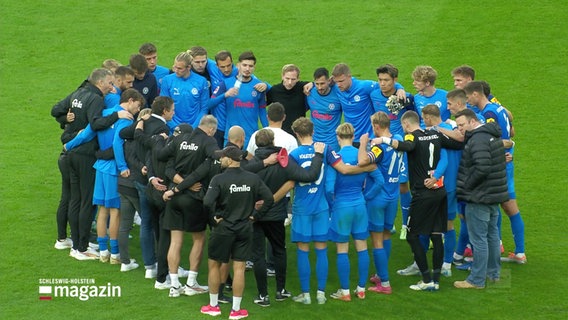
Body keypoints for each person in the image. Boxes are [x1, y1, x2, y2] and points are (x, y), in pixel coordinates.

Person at [287, 117, 375, 305]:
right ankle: (321, 294)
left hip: (302, 208)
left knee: (303, 251)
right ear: (313, 130)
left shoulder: (293, 154)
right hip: (321, 208)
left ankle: (306, 295)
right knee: (321, 250)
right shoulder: (327, 149)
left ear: (296, 134)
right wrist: (369, 166)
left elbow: (290, 182)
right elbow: (343, 169)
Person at [372, 111, 461, 291]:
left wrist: (383, 141)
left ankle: (426, 279)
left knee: (412, 235)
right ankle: (435, 280)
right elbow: (457, 143)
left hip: (422, 193)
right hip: (439, 191)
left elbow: (405, 146)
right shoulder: (435, 134)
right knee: (436, 235)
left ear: (405, 124)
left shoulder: (413, 137)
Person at [51, 68, 133, 261]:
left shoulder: (78, 92)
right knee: (86, 202)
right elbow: (95, 124)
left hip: (71, 152)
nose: (112, 88)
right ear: (100, 82)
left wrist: (65, 123)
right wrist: (116, 116)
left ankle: (74, 243)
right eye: (110, 83)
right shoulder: (96, 99)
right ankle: (81, 248)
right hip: (85, 155)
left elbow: (57, 111)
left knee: (74, 199)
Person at [249, 128, 324, 307]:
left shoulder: (250, 164)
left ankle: (263, 296)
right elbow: (310, 176)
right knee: (279, 251)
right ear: (273, 141)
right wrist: (318, 156)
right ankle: (280, 291)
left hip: (255, 217)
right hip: (276, 215)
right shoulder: (284, 161)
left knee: (258, 255)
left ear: (256, 144)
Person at [200, 146, 274, 320]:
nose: (220, 160)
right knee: (239, 267)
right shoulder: (253, 179)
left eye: (223, 157)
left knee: (214, 265)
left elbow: (206, 202)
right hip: (244, 228)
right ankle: (236, 310)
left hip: (223, 228)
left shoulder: (218, 179)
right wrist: (255, 216)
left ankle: (213, 306)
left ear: (230, 159)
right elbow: (269, 198)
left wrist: (213, 219)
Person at [463, 81, 526, 263]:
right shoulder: (498, 108)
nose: (467, 100)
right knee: (504, 206)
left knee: (498, 206)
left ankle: (491, 254)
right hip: (504, 162)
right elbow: (509, 131)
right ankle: (515, 252)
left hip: (499, 165)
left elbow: (493, 139)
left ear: (476, 94)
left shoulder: (489, 113)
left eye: (468, 97)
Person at [160, 115, 219, 298]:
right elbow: (215, 159)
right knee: (199, 239)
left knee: (175, 241)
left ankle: (174, 285)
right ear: (211, 129)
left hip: (174, 197)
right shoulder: (208, 141)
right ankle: (191, 283)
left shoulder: (180, 138)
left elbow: (167, 166)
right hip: (193, 197)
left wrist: (177, 186)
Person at [327, 123, 383, 302]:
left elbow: (329, 189)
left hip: (342, 207)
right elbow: (379, 181)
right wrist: (365, 197)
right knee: (362, 248)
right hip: (359, 205)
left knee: (342, 249)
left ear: (338, 137)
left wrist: (332, 205)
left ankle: (344, 293)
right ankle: (361, 289)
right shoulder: (364, 157)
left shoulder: (335, 159)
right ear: (353, 137)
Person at [453, 109, 508, 289]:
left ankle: (476, 280)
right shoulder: (493, 135)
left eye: (461, 125)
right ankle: (494, 274)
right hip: (494, 194)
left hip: (479, 196)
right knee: (492, 235)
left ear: (472, 121)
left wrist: (467, 185)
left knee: (479, 239)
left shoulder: (478, 139)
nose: (459, 129)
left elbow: (482, 168)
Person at [358, 111, 404, 295]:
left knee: (377, 240)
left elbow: (362, 161)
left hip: (378, 198)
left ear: (377, 126)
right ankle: (380, 273)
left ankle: (384, 284)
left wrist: (363, 144)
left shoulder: (378, 148)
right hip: (393, 196)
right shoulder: (398, 140)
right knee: (386, 235)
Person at [370, 64, 415, 240]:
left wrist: (401, 90)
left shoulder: (405, 98)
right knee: (381, 181)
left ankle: (406, 224)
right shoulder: (373, 93)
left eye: (386, 80)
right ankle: (388, 223)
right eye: (380, 80)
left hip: (399, 146)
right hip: (381, 145)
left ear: (395, 80)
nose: (382, 84)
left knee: (402, 185)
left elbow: (414, 119)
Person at [422, 104, 462, 277]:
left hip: (440, 184)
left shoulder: (436, 133)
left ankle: (420, 263)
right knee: (449, 224)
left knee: (427, 223)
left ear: (429, 118)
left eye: (424, 118)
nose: (423, 121)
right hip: (455, 183)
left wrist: (435, 177)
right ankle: (446, 263)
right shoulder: (452, 128)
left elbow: (443, 159)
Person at [330, 63, 406, 146]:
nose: (338, 84)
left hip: (368, 139)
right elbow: (320, 84)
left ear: (349, 76)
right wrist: (312, 84)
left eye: (341, 81)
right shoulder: (336, 88)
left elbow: (385, 84)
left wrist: (400, 88)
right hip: (350, 138)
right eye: (336, 81)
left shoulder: (364, 86)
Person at [160, 50, 210, 132]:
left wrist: (193, 128)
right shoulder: (167, 80)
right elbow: (163, 107)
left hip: (193, 128)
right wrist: (175, 127)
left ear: (189, 67)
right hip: (172, 129)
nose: (176, 70)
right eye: (175, 67)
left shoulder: (201, 81)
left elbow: (204, 108)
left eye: (179, 68)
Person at [306, 67, 342, 152]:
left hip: (333, 142)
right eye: (317, 83)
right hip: (314, 140)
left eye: (322, 83)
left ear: (329, 81)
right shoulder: (309, 92)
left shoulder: (338, 94)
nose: (319, 87)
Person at [266, 64, 310, 135]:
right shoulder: (275, 90)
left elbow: (318, 84)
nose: (290, 82)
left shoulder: (302, 87)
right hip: (281, 134)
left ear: (298, 79)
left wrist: (312, 84)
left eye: (293, 79)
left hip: (299, 133)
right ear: (282, 76)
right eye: (287, 78)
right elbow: (262, 104)